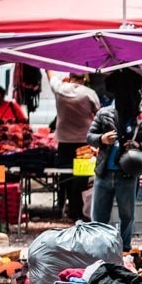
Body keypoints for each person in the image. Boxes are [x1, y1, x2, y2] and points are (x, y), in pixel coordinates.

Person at [87, 70, 142, 250]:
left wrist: (138, 146)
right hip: (103, 172)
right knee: (98, 216)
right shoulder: (104, 114)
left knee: (127, 215)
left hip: (128, 175)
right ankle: (99, 248)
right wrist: (102, 139)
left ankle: (125, 248)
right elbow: (90, 136)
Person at [50, 72, 101, 221]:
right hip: (84, 142)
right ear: (84, 79)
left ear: (70, 77)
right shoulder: (90, 93)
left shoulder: (59, 88)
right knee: (81, 177)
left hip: (64, 141)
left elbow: (50, 75)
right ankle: (77, 210)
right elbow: (98, 113)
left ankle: (62, 207)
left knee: (65, 176)